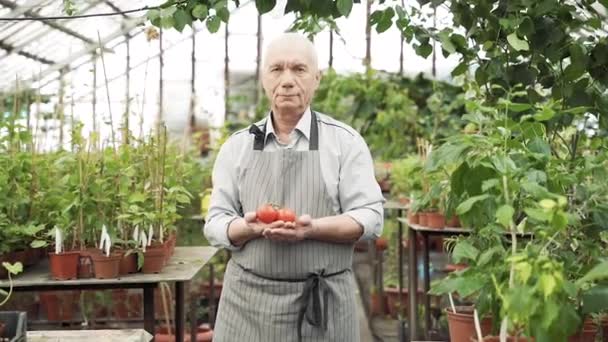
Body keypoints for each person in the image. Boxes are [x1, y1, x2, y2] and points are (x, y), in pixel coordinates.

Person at [204, 32, 384, 342]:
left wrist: (310, 228)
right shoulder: (237, 147)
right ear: (264, 78)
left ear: (317, 78)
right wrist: (246, 228)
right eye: (277, 69)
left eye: (299, 69)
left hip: (323, 304)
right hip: (248, 304)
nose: (287, 80)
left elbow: (369, 217)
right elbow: (216, 222)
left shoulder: (344, 142)